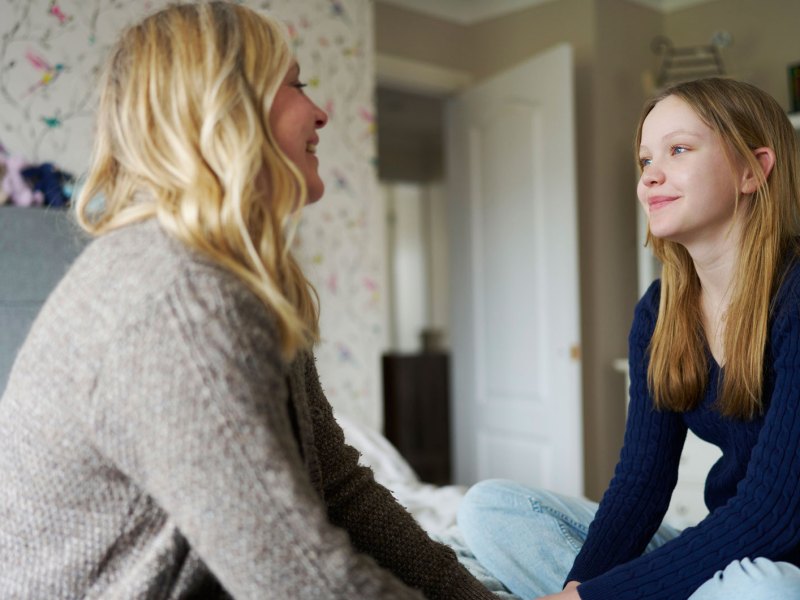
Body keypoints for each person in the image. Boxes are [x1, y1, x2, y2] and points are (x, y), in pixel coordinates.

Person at [0, 3, 499, 598]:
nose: (320, 112)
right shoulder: (176, 297)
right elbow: (301, 580)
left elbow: (339, 489)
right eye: (296, 86)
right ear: (226, 107)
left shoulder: (241, 277)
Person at [457, 76, 800, 600]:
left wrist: (590, 599)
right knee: (490, 509)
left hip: (779, 558)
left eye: (678, 150)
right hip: (732, 549)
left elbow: (774, 512)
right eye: (645, 160)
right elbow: (642, 483)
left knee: (765, 589)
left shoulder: (794, 294)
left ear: (753, 170)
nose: (649, 177)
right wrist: (580, 586)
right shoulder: (660, 311)